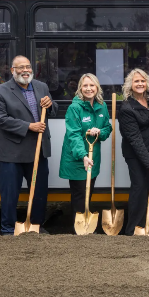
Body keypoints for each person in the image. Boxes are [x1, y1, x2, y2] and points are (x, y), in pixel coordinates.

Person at [0, 55, 57, 235]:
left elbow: (53, 109)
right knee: (10, 194)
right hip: (13, 152)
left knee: (39, 192)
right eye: (20, 67)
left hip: (39, 149)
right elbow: (1, 120)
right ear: (12, 70)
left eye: (28, 66)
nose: (25, 70)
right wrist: (29, 126)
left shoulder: (41, 87)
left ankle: (36, 225)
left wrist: (50, 105)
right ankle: (8, 229)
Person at [118, 69, 149, 235]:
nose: (140, 84)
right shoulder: (126, 108)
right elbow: (135, 140)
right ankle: (133, 229)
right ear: (130, 85)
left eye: (142, 81)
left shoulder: (147, 100)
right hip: (136, 155)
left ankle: (147, 224)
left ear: (147, 84)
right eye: (136, 81)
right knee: (140, 188)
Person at [60, 74, 112, 217]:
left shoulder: (102, 106)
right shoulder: (74, 108)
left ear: (97, 87)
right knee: (80, 195)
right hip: (77, 158)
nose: (89, 89)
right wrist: (83, 156)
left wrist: (100, 132)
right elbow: (74, 135)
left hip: (93, 156)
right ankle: (78, 229)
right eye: (85, 86)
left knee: (88, 192)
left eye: (92, 85)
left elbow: (107, 128)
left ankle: (85, 223)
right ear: (80, 88)